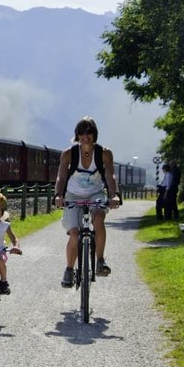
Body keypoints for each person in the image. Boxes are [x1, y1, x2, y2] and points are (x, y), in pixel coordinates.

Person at [53, 116, 122, 288]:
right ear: (77, 135)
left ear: (94, 134)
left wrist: (114, 195)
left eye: (89, 132)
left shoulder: (104, 153)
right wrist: (58, 195)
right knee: (75, 234)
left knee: (99, 219)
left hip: (95, 194)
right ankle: (69, 269)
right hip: (73, 195)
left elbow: (110, 175)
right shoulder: (69, 154)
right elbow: (61, 176)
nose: (86, 135)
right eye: (82, 132)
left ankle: (100, 261)